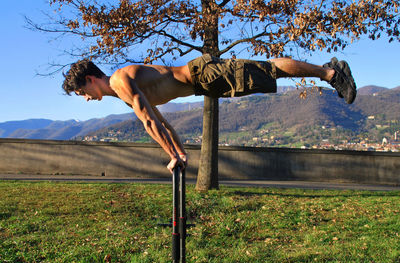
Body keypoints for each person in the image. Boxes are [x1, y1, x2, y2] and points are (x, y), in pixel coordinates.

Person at [62, 54, 357, 172]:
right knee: (267, 74)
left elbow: (151, 122)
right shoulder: (122, 91)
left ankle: (331, 73)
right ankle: (329, 72)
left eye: (82, 93)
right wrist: (180, 153)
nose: (86, 99)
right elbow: (161, 123)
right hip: (205, 83)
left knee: (268, 70)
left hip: (203, 75)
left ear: (90, 80)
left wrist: (174, 156)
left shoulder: (118, 80)